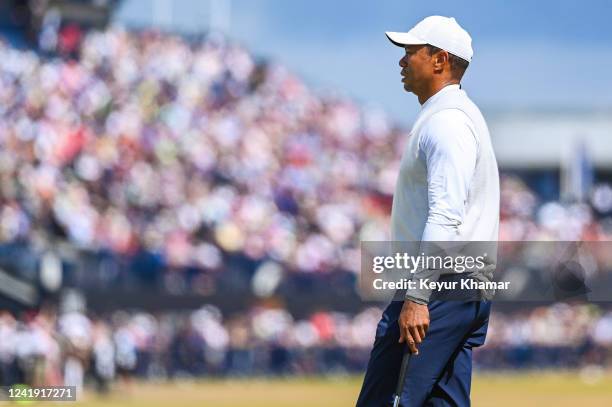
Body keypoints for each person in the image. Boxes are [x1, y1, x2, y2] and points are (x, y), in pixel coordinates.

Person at [356, 16, 500, 406]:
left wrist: (417, 297)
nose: (402, 61)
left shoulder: (447, 122)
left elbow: (445, 215)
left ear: (440, 60)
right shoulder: (453, 116)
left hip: (437, 286)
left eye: (410, 52)